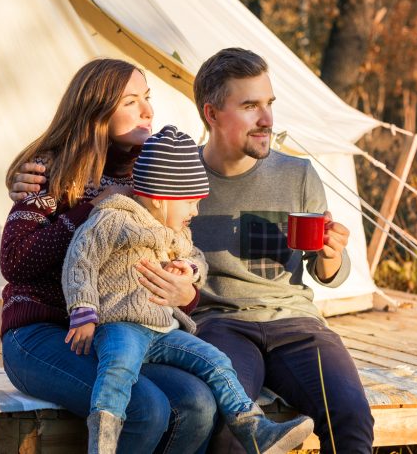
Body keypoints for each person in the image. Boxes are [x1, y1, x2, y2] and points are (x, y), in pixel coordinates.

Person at [11, 48, 375, 453]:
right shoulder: (143, 176)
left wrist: (330, 256)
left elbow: (181, 261)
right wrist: (81, 206)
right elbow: (35, 254)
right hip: (181, 324)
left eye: (269, 104)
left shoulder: (283, 173)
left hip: (284, 322)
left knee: (343, 413)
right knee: (190, 416)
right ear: (212, 114)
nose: (267, 119)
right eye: (251, 105)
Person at [0, 58, 218, 454]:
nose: (148, 111)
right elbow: (15, 262)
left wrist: (185, 291)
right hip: (41, 333)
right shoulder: (49, 173)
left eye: (147, 98)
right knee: (145, 408)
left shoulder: (150, 175)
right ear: (96, 112)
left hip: (122, 333)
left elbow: (177, 255)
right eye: (131, 102)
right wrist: (92, 209)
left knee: (197, 404)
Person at [63, 124, 314, 454]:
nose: (195, 211)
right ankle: (104, 443)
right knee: (118, 371)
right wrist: (83, 311)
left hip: (163, 331)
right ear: (160, 198)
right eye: (191, 202)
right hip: (121, 325)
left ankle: (254, 429)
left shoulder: (176, 233)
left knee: (216, 361)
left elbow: (198, 258)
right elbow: (79, 259)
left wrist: (191, 269)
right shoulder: (113, 220)